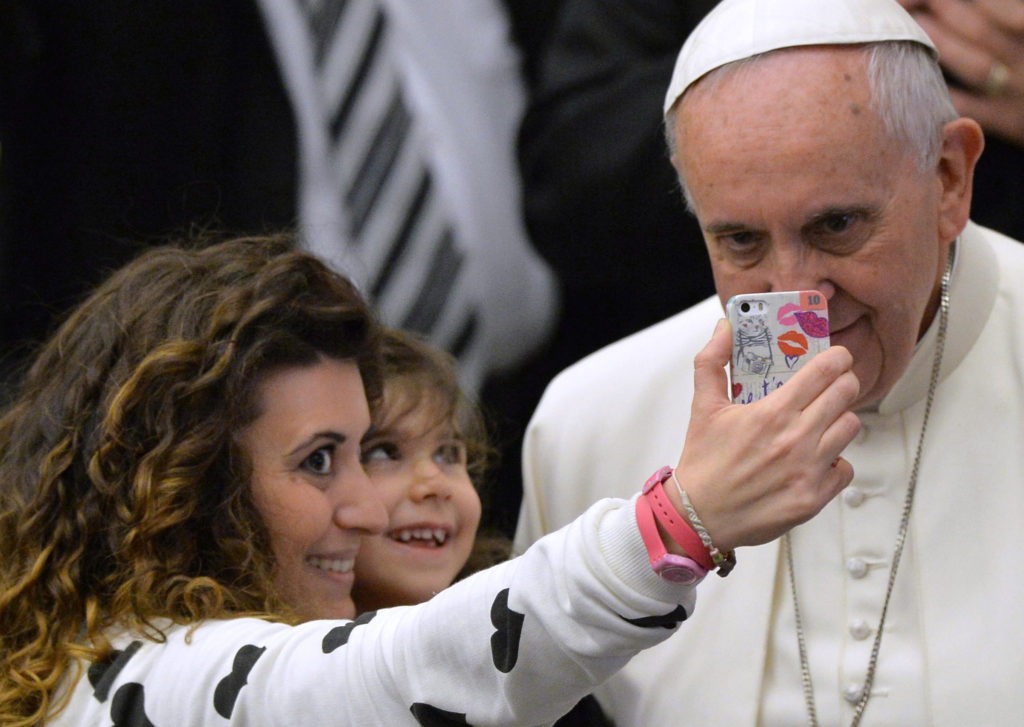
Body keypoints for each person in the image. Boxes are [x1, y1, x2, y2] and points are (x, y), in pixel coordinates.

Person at [0, 235, 860, 726]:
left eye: (360, 450)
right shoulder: (135, 686)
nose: (370, 506)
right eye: (317, 461)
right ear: (184, 484)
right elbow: (397, 674)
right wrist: (675, 523)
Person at [515, 0, 1024, 724]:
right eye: (742, 242)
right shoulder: (589, 425)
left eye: (837, 226)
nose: (795, 298)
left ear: (947, 178)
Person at [352, 328, 611, 726]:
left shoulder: (530, 661)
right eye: (385, 452)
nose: (436, 483)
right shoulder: (272, 671)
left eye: (448, 452)